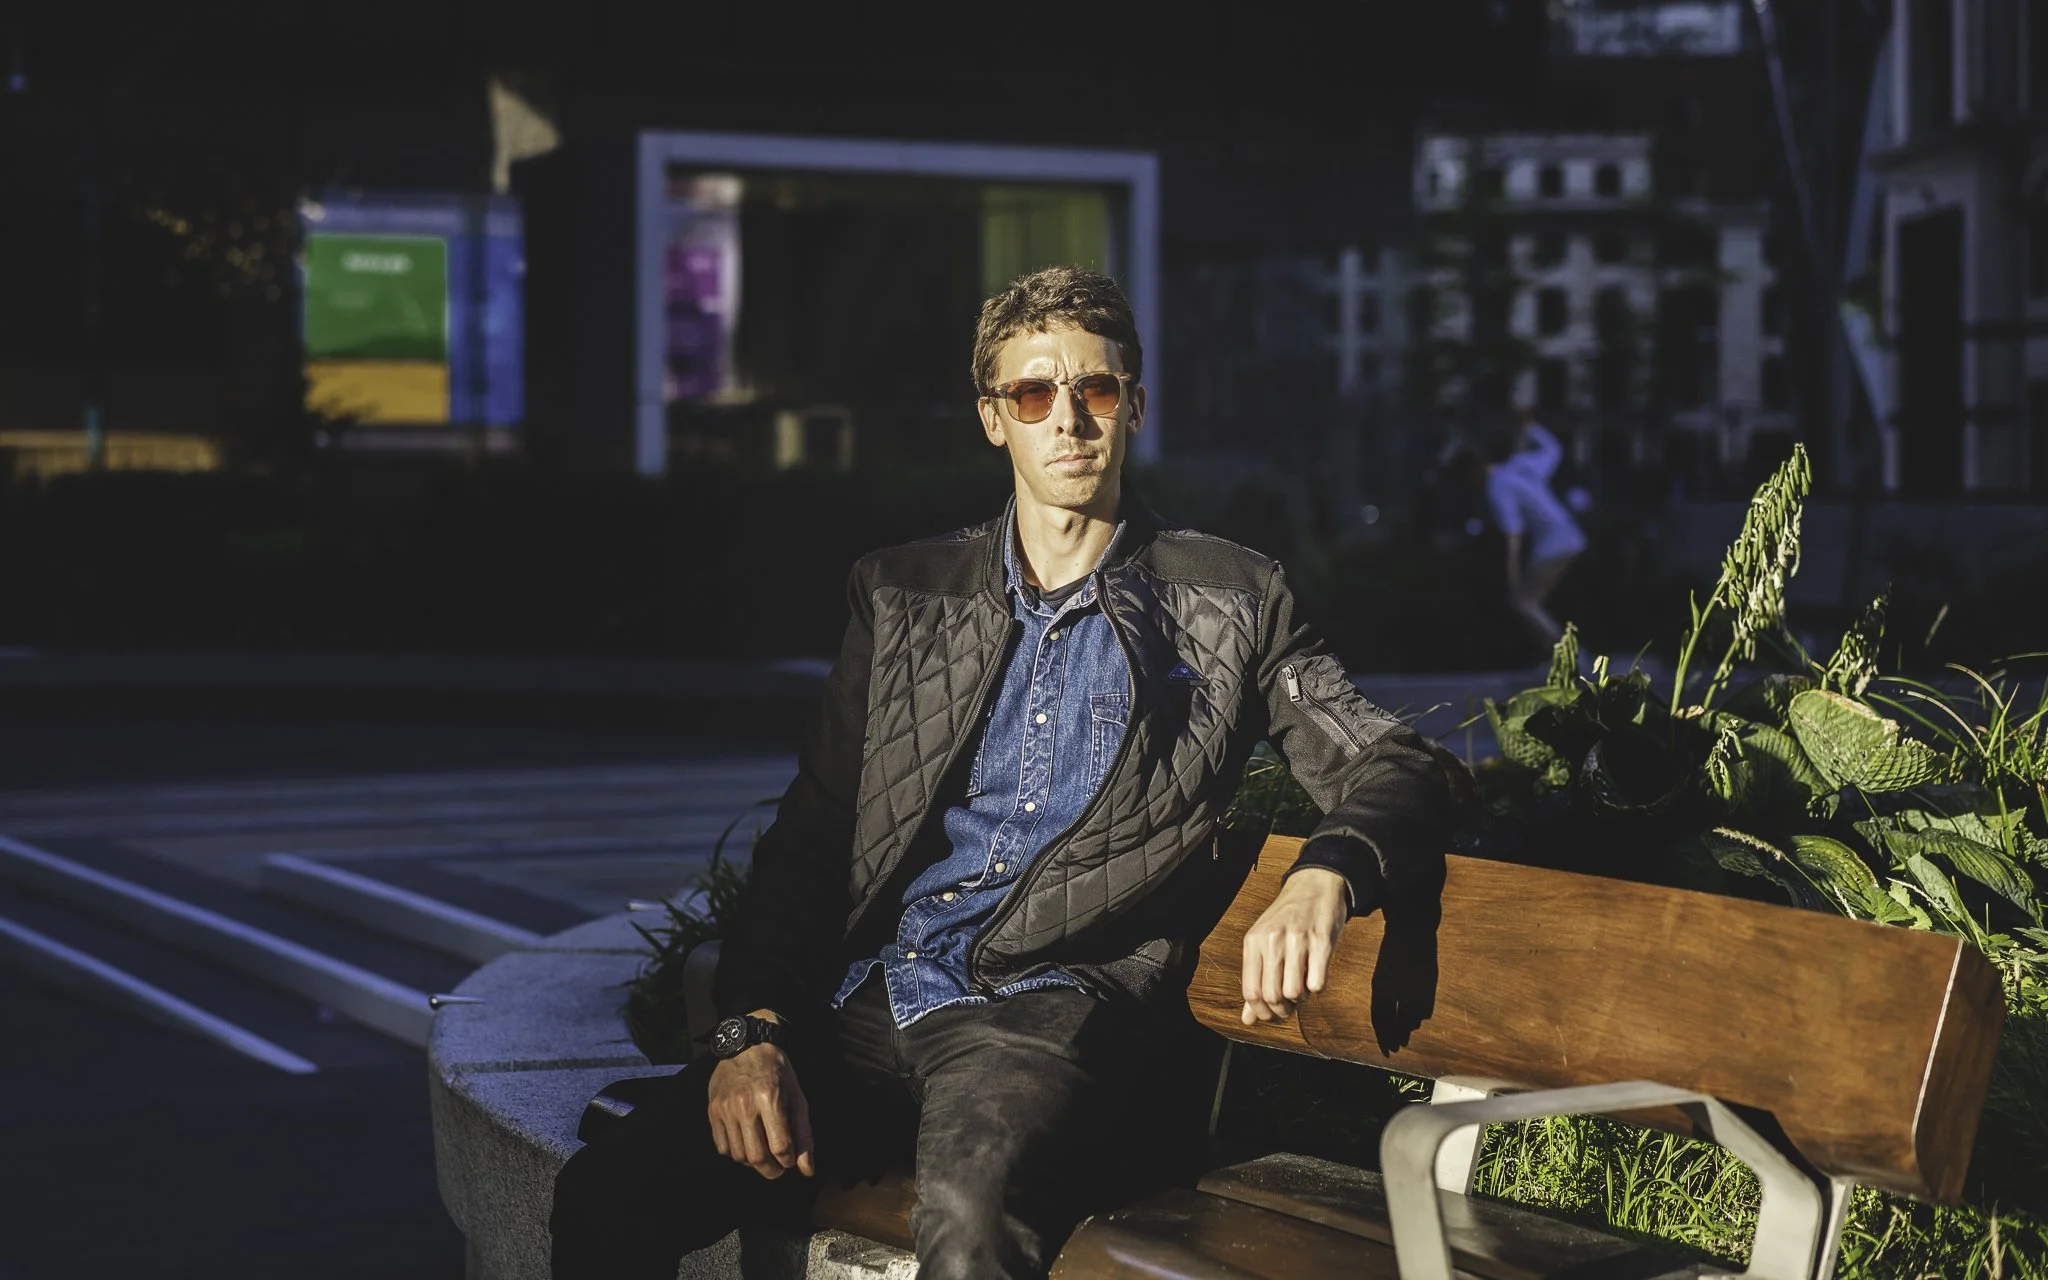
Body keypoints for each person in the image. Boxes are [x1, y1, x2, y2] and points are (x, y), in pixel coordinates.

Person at [548, 266, 1452, 1280]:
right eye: (1032, 394)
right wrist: (745, 1033)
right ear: (994, 419)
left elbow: (1396, 757)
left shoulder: (1231, 599)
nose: (1066, 417)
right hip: (868, 1000)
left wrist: (1325, 868)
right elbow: (810, 838)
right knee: (608, 1191)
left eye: (1094, 390)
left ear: (1133, 405)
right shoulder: (900, 596)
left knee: (972, 1217)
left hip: (1044, 1013)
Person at [1469, 410, 1586, 652]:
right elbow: (1554, 451)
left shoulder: (1497, 486)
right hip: (1570, 535)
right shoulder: (1520, 465)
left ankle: (1569, 654)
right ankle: (1555, 655)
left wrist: (1511, 576)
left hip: (1553, 545)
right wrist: (1531, 427)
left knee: (1523, 601)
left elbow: (1513, 533)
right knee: (1533, 601)